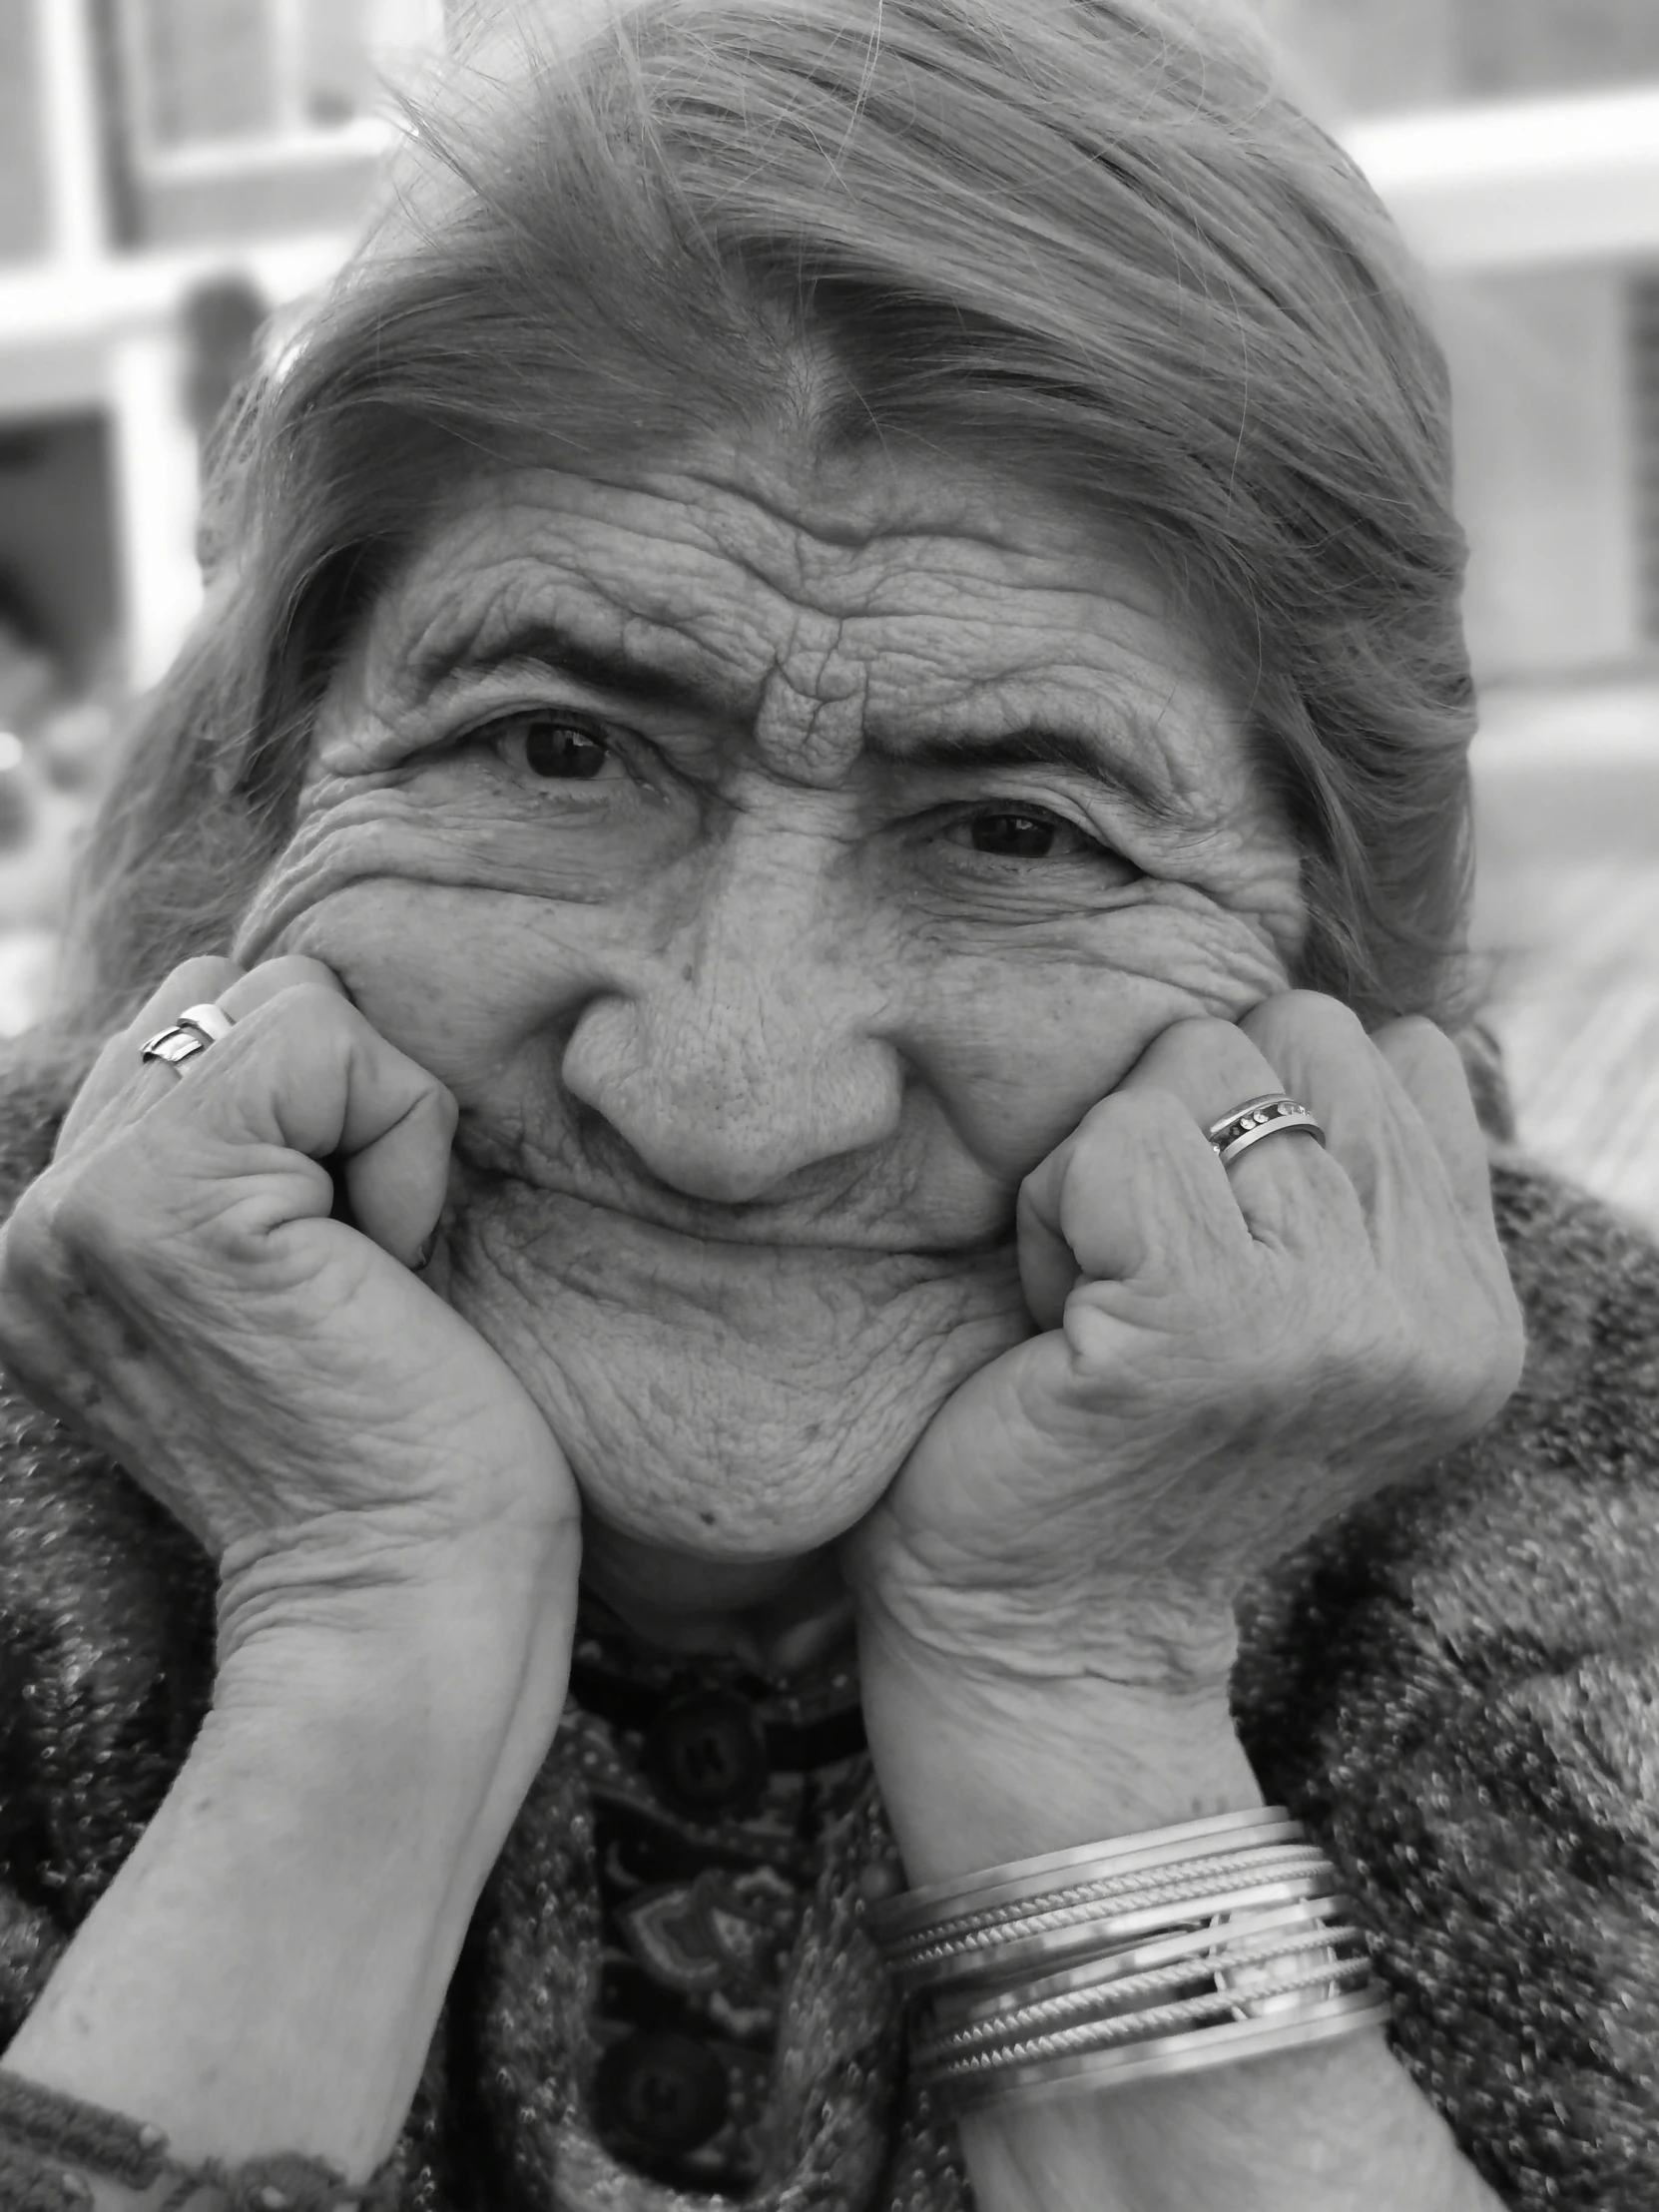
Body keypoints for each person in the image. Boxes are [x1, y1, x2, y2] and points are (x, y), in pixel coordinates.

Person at [0, 0, 1653, 2205]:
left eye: (1015, 829)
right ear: (279, 771)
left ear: (1319, 949)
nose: (726, 1098)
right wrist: (365, 1648)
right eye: (559, 749)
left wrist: (1079, 1693)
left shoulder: (1598, 1482)